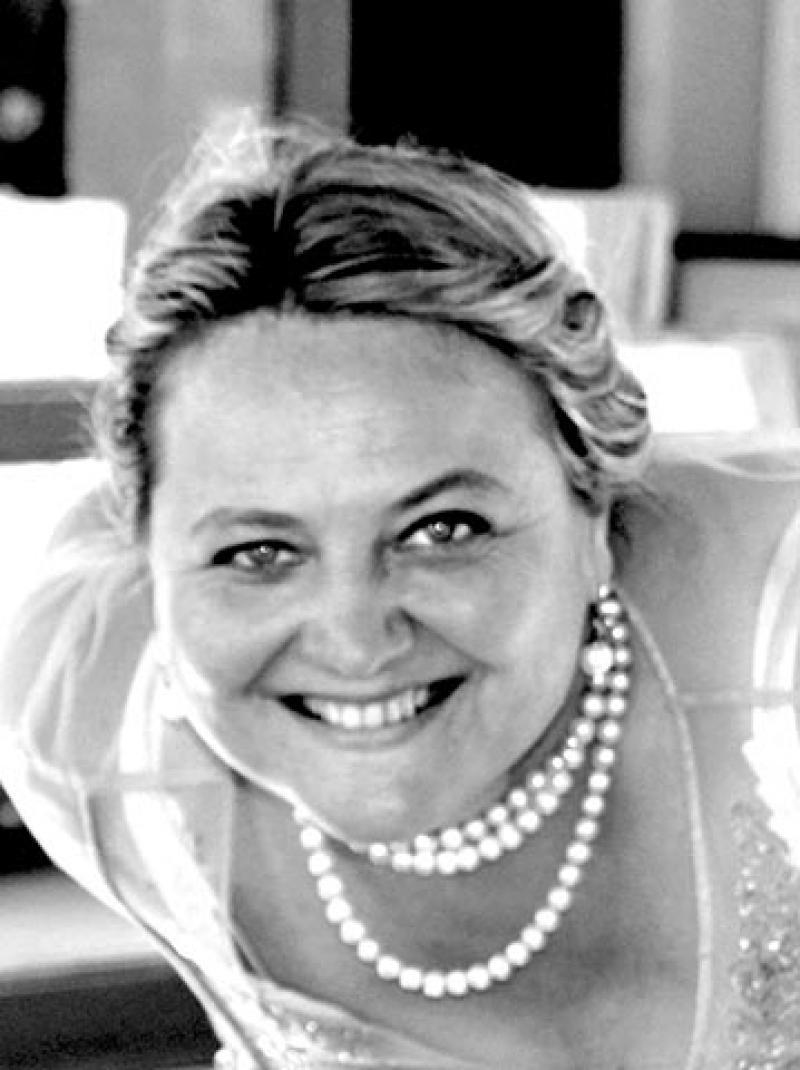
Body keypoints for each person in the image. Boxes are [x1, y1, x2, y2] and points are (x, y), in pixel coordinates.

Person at [1, 114, 800, 1070]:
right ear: (151, 561)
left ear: (596, 514)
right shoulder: (87, 732)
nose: (354, 638)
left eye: (442, 531)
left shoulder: (780, 655)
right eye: (260, 550)